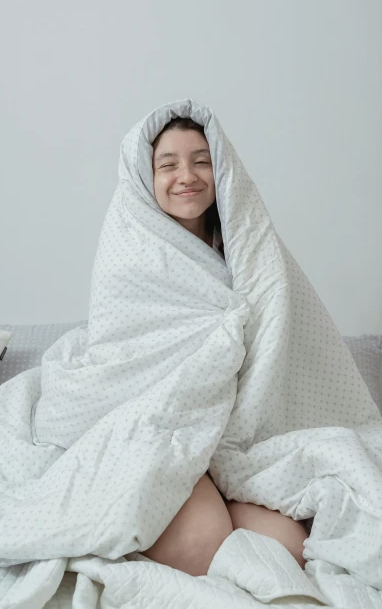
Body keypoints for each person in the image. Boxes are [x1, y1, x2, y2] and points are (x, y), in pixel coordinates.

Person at [140, 115, 309, 577]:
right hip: (170, 430)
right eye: (168, 165)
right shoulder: (133, 257)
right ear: (146, 177)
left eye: (201, 161)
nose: (187, 176)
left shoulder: (248, 247)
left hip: (239, 435)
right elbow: (130, 356)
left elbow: (281, 336)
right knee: (201, 548)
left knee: (291, 548)